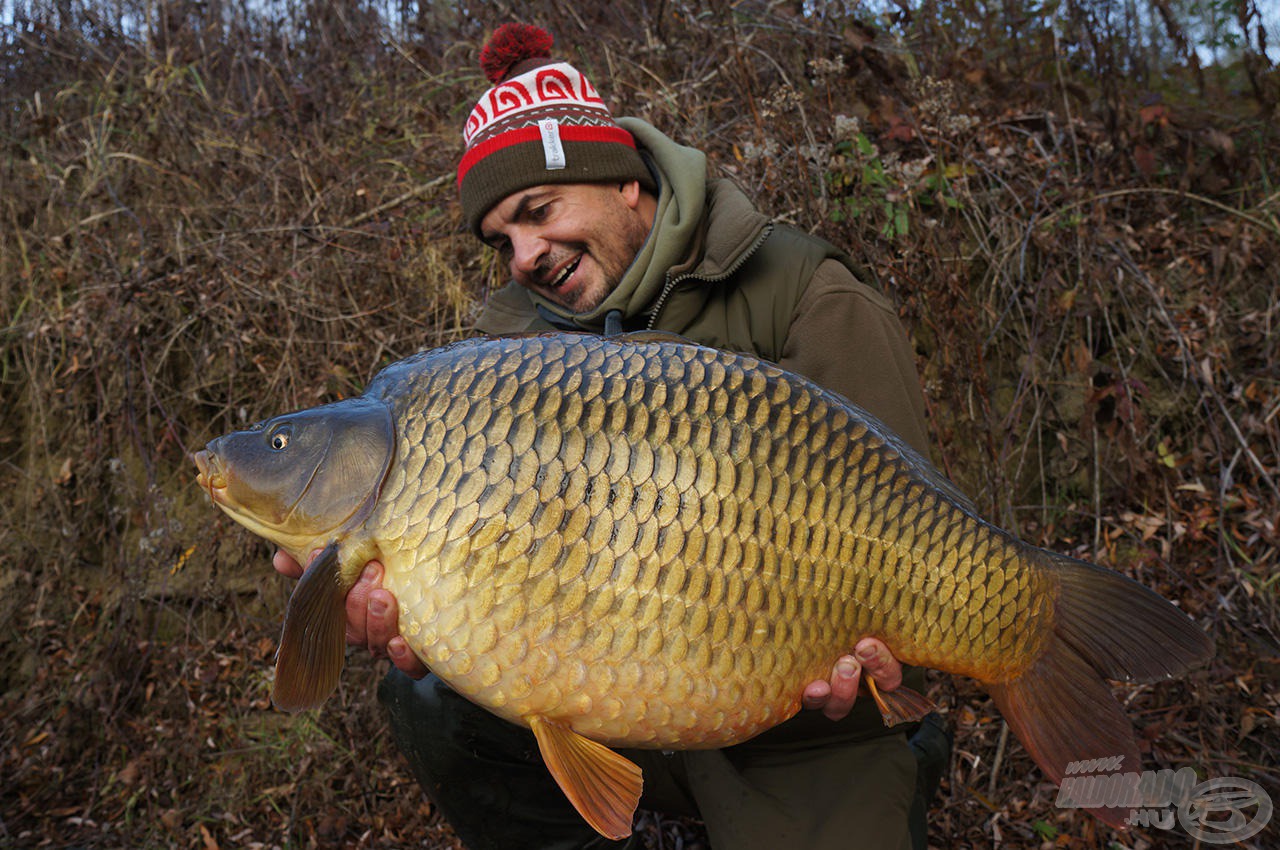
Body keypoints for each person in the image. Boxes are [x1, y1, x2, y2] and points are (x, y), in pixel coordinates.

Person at [274, 23, 950, 850]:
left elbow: (927, 540)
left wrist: (887, 668)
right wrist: (420, 619)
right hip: (610, 707)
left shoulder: (806, 295)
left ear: (626, 185)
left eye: (539, 210)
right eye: (501, 239)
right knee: (427, 704)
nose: (523, 254)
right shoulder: (498, 360)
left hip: (800, 728)